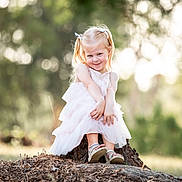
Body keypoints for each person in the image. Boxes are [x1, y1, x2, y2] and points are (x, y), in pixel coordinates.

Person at [50, 25, 131, 164]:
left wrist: (108, 106)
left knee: (112, 114)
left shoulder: (112, 75)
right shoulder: (82, 68)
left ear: (109, 50)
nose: (95, 59)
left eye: (99, 54)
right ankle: (93, 146)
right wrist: (100, 101)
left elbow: (111, 92)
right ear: (84, 54)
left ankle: (110, 151)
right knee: (91, 105)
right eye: (90, 55)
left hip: (103, 105)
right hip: (84, 108)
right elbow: (89, 84)